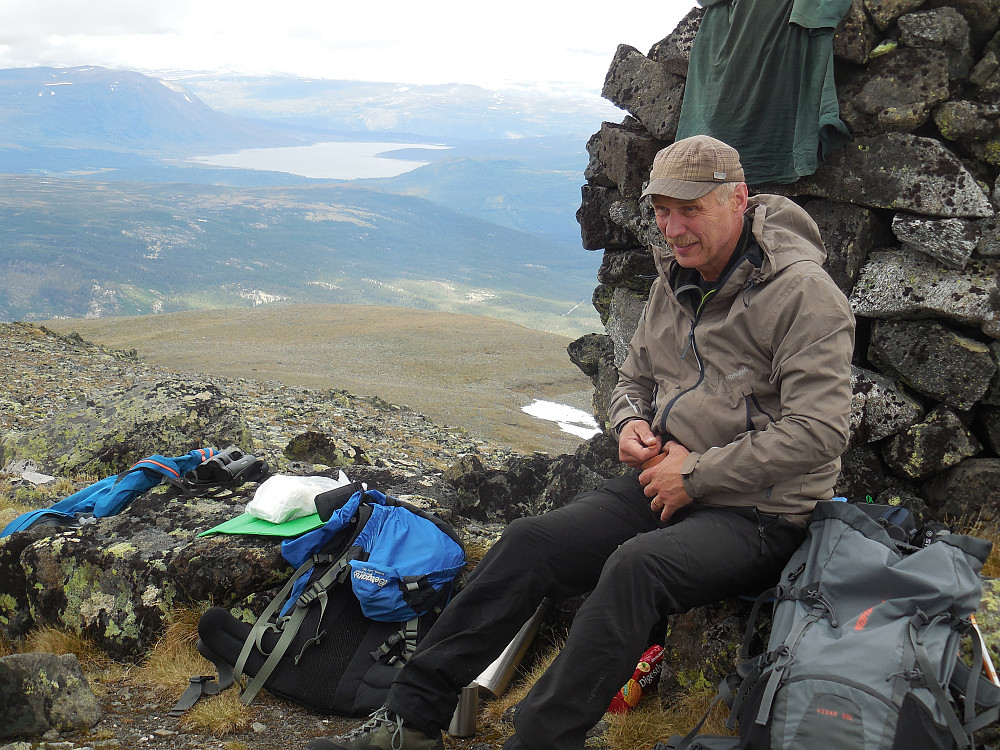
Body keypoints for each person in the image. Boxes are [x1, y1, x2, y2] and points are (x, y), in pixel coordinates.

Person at [303, 135, 856, 750]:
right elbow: (633, 379)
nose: (672, 228)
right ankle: (409, 720)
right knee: (528, 543)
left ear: (739, 199)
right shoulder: (674, 278)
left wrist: (696, 474)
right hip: (665, 480)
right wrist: (628, 425)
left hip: (761, 511)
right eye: (661, 209)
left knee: (634, 569)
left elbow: (821, 432)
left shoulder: (803, 293)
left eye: (690, 210)